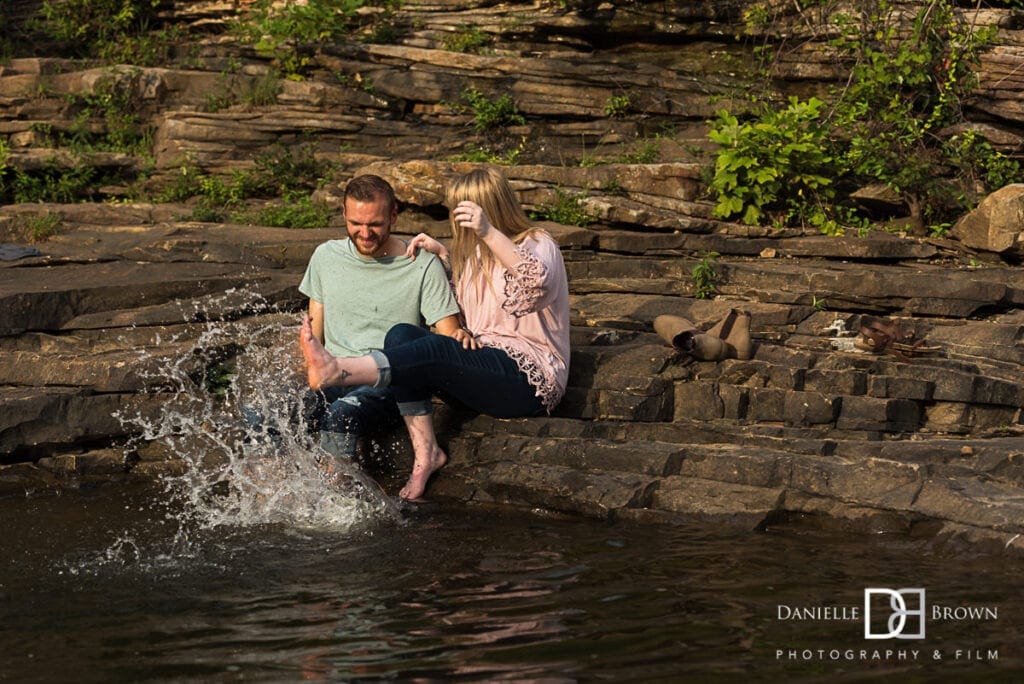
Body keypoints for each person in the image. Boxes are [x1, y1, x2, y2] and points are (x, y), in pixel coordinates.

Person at [299, 166, 570, 500]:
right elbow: (472, 308)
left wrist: (488, 232)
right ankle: (427, 453)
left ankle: (339, 369)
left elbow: (535, 282)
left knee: (428, 349)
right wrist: (444, 256)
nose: (457, 221)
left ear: (490, 208)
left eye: (464, 212)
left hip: (528, 381)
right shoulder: (473, 255)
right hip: (483, 366)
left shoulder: (538, 243)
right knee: (402, 335)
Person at [298, 173, 463, 466]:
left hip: (385, 380)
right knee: (263, 411)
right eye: (355, 224)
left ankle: (334, 505)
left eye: (374, 224)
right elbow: (315, 336)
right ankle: (264, 499)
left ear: (394, 215)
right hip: (333, 375)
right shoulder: (325, 256)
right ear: (344, 213)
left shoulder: (421, 264)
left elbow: (448, 339)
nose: (365, 233)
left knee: (341, 413)